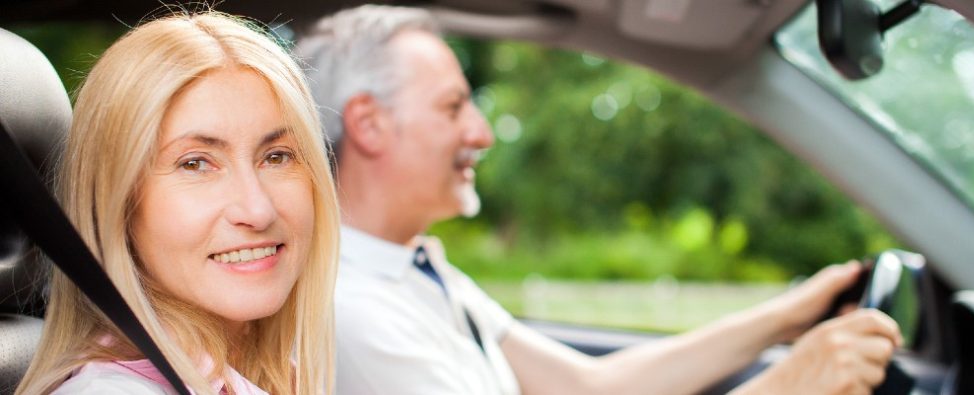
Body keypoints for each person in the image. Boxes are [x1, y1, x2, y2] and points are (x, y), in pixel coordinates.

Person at [295, 5, 902, 395]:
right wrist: (790, 386)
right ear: (370, 126)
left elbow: (591, 385)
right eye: (454, 106)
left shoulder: (416, 270)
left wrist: (789, 315)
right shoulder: (353, 312)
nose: (481, 132)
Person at [17, 11, 339, 395]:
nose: (258, 210)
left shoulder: (276, 377)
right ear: (118, 204)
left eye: (277, 156)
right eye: (196, 164)